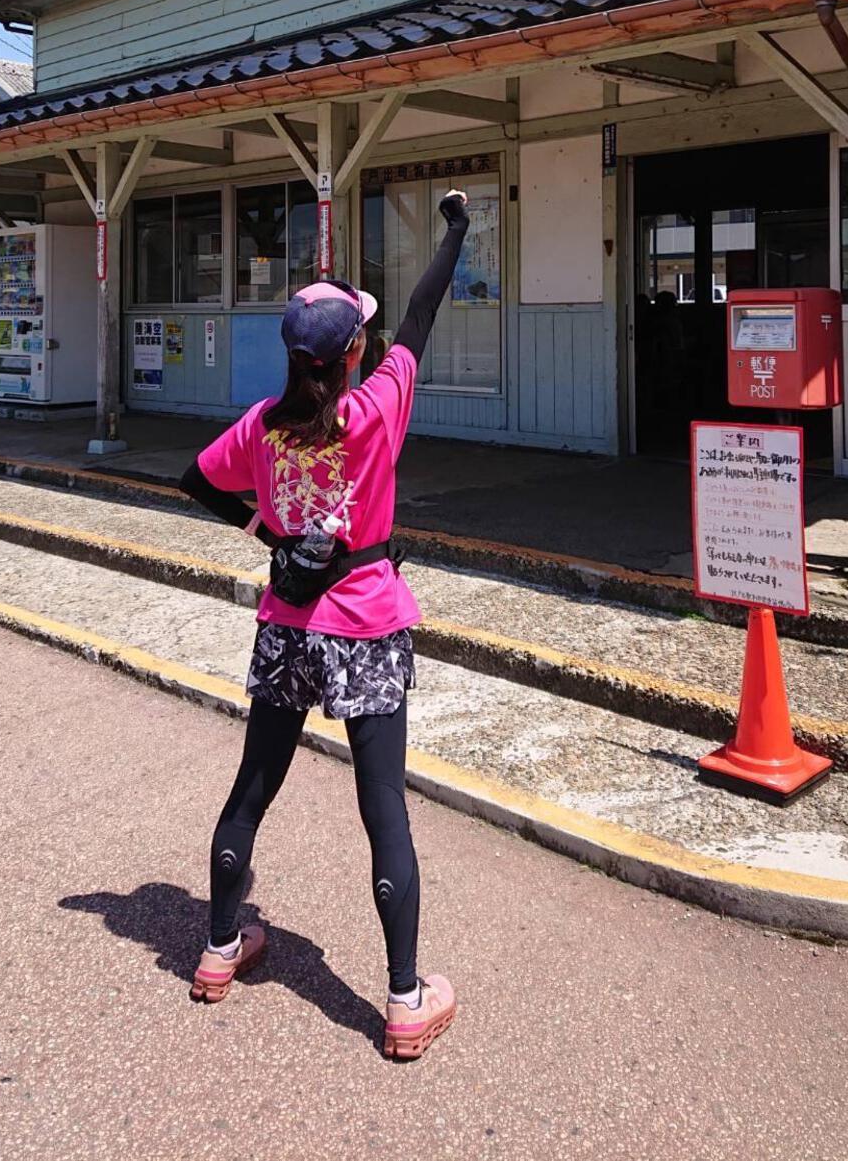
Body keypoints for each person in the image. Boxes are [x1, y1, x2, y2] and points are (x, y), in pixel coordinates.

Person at [179, 189, 470, 1061]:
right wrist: (453, 227)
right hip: (367, 625)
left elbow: (193, 478)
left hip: (286, 628)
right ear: (352, 353)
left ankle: (220, 949)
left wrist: (267, 532)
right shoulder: (375, 411)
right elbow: (418, 314)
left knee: (251, 790)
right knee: (383, 811)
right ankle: (405, 999)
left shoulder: (263, 431)